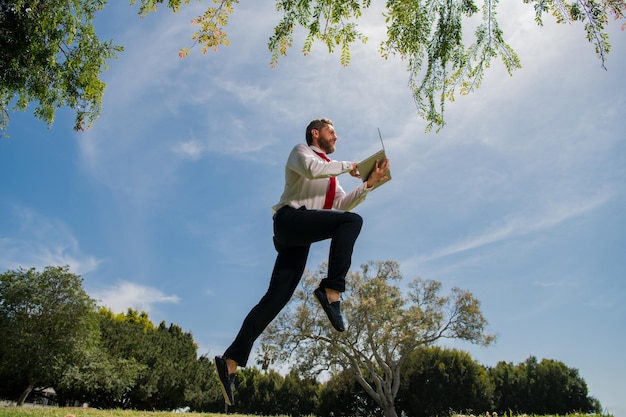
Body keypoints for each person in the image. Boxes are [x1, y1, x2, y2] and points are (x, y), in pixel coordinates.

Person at [214, 118, 390, 406]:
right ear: (315, 133)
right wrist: (350, 165)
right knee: (352, 223)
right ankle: (331, 290)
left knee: (276, 298)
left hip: (299, 238)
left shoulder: (332, 180)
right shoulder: (301, 152)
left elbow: (341, 208)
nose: (337, 136)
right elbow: (312, 170)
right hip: (288, 222)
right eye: (332, 131)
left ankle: (230, 361)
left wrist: (368, 183)